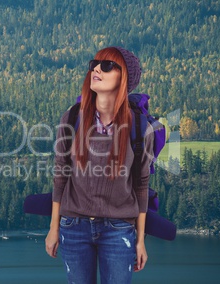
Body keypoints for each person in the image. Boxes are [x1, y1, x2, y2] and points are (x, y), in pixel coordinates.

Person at [45, 46, 154, 284]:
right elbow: (61, 175)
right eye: (94, 64)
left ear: (123, 77)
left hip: (118, 230)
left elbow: (141, 184)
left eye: (106, 65)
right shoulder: (72, 118)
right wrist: (54, 228)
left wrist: (140, 240)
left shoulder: (140, 128)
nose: (96, 69)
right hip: (73, 227)